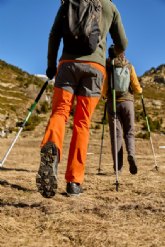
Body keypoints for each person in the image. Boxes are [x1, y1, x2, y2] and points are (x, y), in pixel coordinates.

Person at [36, 0, 128, 198]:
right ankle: (74, 182)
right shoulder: (109, 6)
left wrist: (51, 65)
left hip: (67, 66)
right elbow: (123, 42)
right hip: (95, 70)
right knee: (82, 122)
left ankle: (51, 148)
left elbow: (54, 35)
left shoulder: (69, 2)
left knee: (60, 112)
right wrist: (114, 52)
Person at [102, 51, 142, 175]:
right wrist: (140, 91)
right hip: (128, 102)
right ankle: (131, 154)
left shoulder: (108, 66)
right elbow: (136, 86)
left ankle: (118, 168)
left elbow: (104, 86)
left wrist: (104, 96)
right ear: (122, 53)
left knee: (116, 136)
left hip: (113, 103)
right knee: (129, 132)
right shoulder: (129, 65)